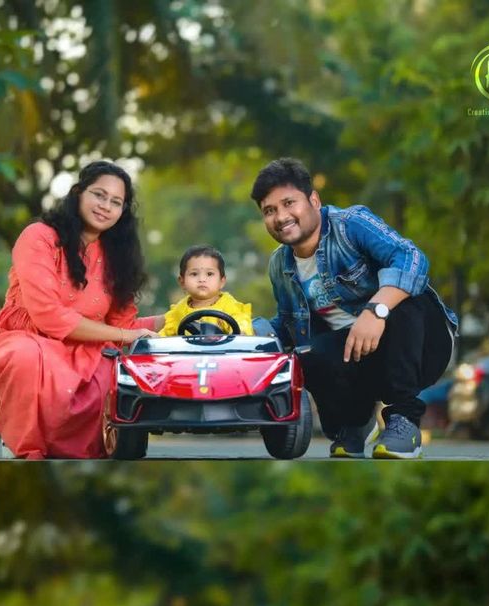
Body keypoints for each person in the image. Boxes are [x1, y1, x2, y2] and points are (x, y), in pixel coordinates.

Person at [250, 158, 459, 459]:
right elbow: (288, 325)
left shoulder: (351, 224)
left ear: (313, 200)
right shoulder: (278, 265)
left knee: (406, 296)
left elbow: (412, 258)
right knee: (305, 354)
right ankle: (356, 422)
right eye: (269, 211)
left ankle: (404, 421)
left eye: (288, 203)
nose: (281, 217)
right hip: (360, 360)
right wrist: (243, 329)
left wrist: (376, 311)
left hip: (423, 345)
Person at [0, 161, 166, 459]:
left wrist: (171, 320)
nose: (105, 206)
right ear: (78, 193)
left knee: (117, 373)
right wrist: (126, 335)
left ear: (123, 211)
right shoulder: (40, 237)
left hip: (87, 351)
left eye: (116, 202)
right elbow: (48, 315)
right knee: (25, 358)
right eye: (99, 195)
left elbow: (123, 327)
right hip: (31, 339)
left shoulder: (118, 257)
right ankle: (24, 446)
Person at [159, 245, 254, 336]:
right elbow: (167, 333)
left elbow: (242, 322)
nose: (202, 279)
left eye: (209, 274)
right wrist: (155, 336)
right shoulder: (179, 310)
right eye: (194, 274)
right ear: (182, 282)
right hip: (190, 352)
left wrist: (242, 332)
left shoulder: (228, 305)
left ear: (222, 281)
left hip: (221, 351)